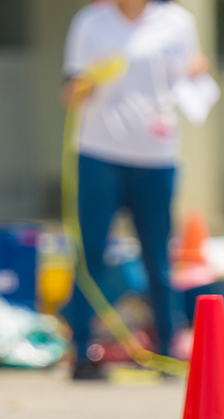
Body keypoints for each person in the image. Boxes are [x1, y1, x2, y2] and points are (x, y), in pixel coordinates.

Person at [61, 0, 211, 380]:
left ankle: (167, 350)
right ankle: (81, 352)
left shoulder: (176, 22)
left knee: (158, 256)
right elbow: (70, 92)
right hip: (100, 154)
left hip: (156, 155)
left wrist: (197, 70)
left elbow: (190, 73)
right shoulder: (91, 23)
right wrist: (87, 83)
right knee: (92, 251)